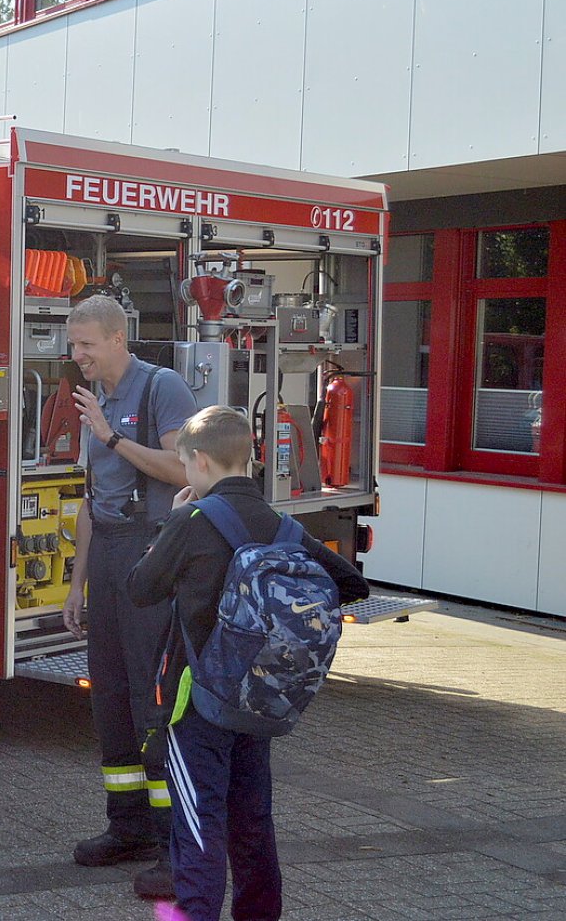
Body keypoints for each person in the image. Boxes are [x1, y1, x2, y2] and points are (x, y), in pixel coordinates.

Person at [127, 406, 368, 921]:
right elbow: (352, 585)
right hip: (258, 698)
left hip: (196, 702)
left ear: (200, 462)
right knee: (254, 823)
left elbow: (141, 589)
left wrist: (170, 521)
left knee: (199, 822)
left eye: (184, 461)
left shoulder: (190, 521)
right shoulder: (281, 525)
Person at [61, 294, 196, 898]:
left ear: (119, 338)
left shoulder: (161, 389)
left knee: (154, 697)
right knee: (109, 695)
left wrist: (112, 438)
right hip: (110, 553)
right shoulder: (98, 401)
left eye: (86, 344)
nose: (77, 355)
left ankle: (176, 844)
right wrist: (75, 582)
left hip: (153, 550)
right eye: (72, 344)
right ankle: (128, 827)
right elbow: (92, 502)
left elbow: (185, 472)